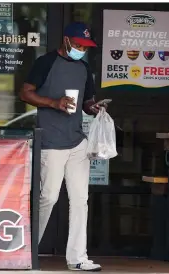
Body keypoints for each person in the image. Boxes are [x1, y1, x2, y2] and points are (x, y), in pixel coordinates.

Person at [19, 22, 107, 272]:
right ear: (66, 40)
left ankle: (78, 257)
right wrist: (53, 102)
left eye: (85, 46)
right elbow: (25, 93)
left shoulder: (83, 67)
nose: (81, 49)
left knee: (81, 200)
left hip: (77, 141)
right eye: (78, 44)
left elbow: (86, 102)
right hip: (51, 142)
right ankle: (25, 249)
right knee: (48, 197)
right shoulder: (45, 62)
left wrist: (94, 108)